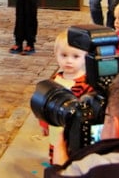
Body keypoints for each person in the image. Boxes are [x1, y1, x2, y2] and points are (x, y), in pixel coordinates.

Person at [40, 31, 93, 165]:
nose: (69, 60)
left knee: (74, 160)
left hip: (76, 135)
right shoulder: (54, 81)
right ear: (56, 55)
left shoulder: (87, 83)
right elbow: (45, 105)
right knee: (55, 159)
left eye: (75, 56)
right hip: (55, 130)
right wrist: (44, 124)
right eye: (64, 55)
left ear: (85, 57)